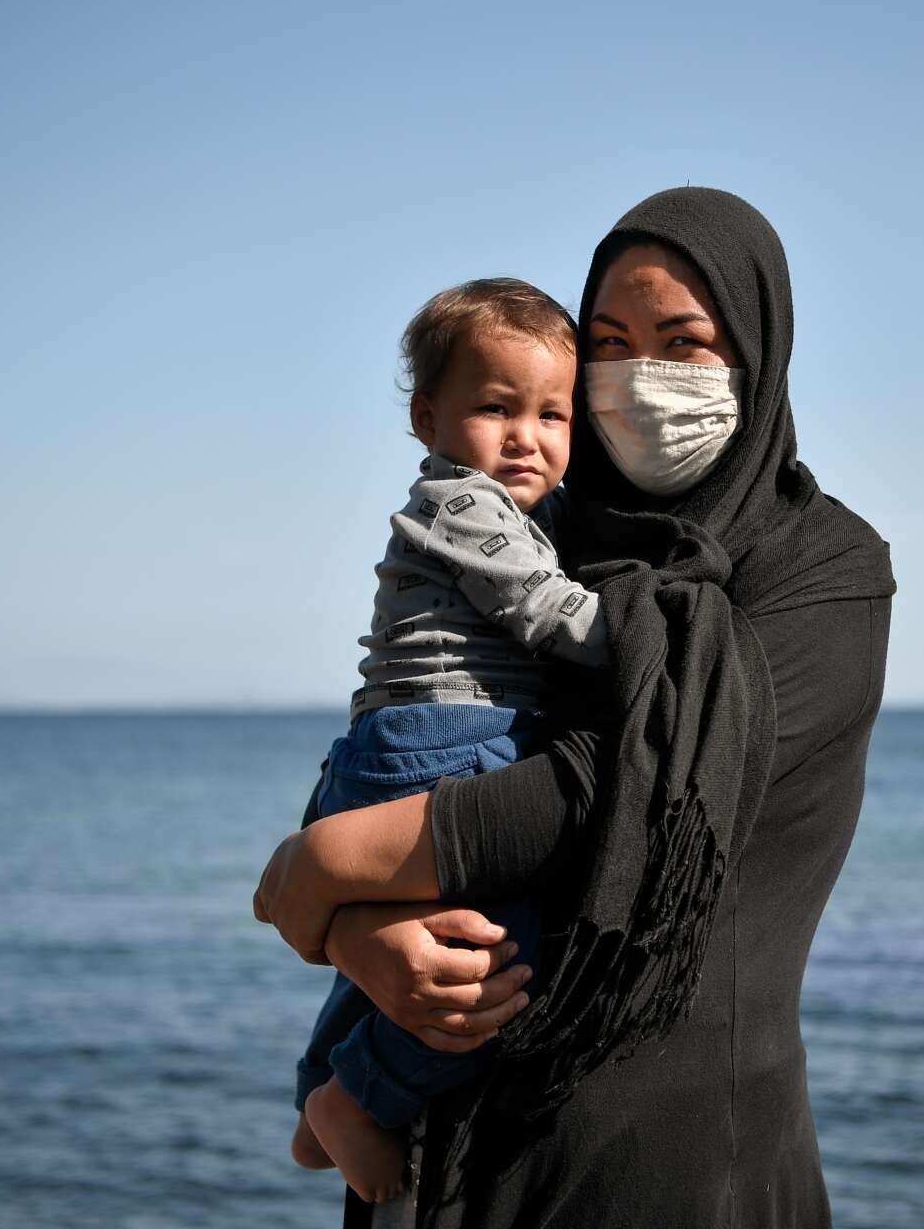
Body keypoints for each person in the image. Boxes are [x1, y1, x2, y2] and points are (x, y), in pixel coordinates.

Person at [255, 187, 896, 1228]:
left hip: (666, 1165)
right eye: (608, 340)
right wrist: (361, 934)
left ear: (758, 347)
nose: (641, 377)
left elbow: (606, 793)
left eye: (682, 343)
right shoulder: (555, 532)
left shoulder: (819, 567)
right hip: (444, 1158)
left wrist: (320, 868)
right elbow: (419, 714)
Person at [284, 278, 609, 1203]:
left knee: (406, 939)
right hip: (447, 737)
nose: (527, 437)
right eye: (496, 408)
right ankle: (358, 1096)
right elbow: (550, 615)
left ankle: (317, 1094)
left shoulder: (515, 509)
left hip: (398, 738)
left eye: (554, 415)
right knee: (498, 947)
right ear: (429, 417)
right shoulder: (462, 504)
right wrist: (665, 634)